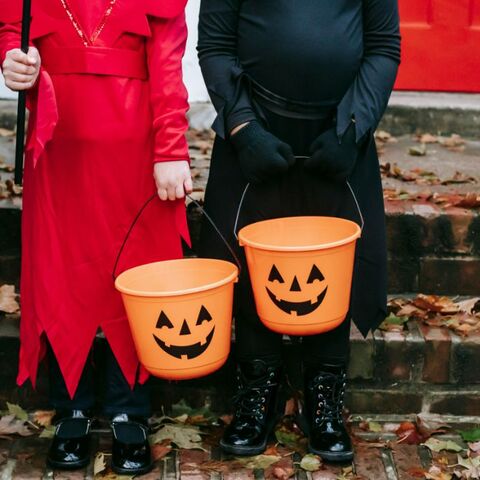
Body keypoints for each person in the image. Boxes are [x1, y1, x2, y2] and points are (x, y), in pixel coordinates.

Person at [197, 0, 401, 461]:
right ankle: (256, 398)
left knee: (333, 265)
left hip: (339, 134)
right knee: (249, 262)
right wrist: (243, 127)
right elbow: (214, 45)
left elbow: (384, 46)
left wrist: (353, 128)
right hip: (256, 129)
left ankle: (324, 401)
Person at [0, 0, 191, 474]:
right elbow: (12, 28)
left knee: (136, 272)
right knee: (65, 273)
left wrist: (171, 146)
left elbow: (167, 65)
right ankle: (73, 408)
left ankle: (131, 408)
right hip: (59, 149)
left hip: (135, 154)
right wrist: (12, 60)